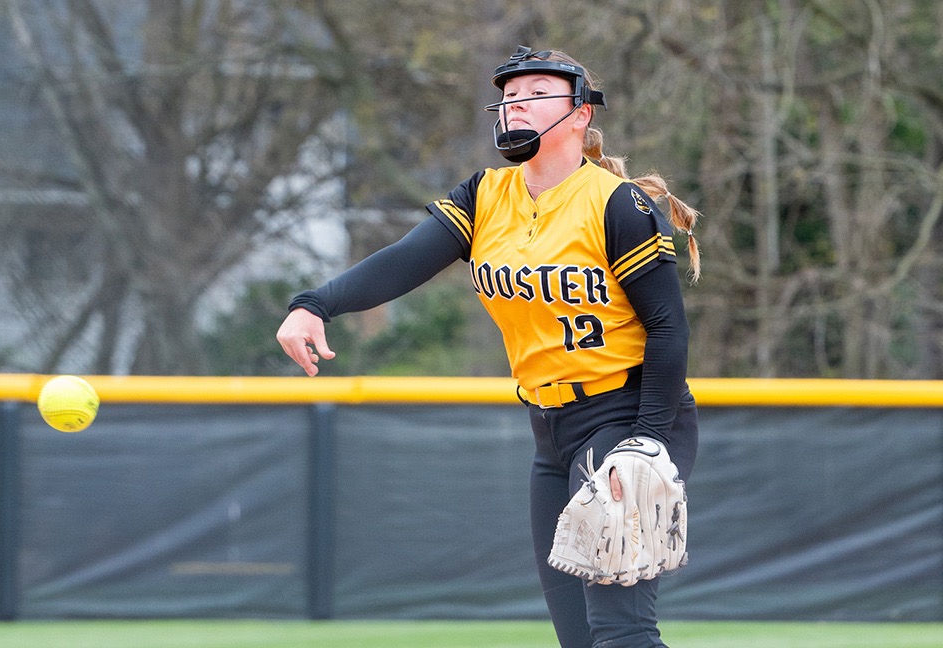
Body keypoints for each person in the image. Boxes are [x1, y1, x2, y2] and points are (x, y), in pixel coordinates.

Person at [277, 46, 701, 648]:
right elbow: (405, 261)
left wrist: (648, 439)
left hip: (626, 416)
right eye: (509, 95)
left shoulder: (616, 204)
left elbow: (668, 327)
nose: (517, 104)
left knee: (622, 631)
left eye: (536, 93)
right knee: (579, 639)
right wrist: (315, 302)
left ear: (580, 114)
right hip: (550, 432)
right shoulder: (487, 195)